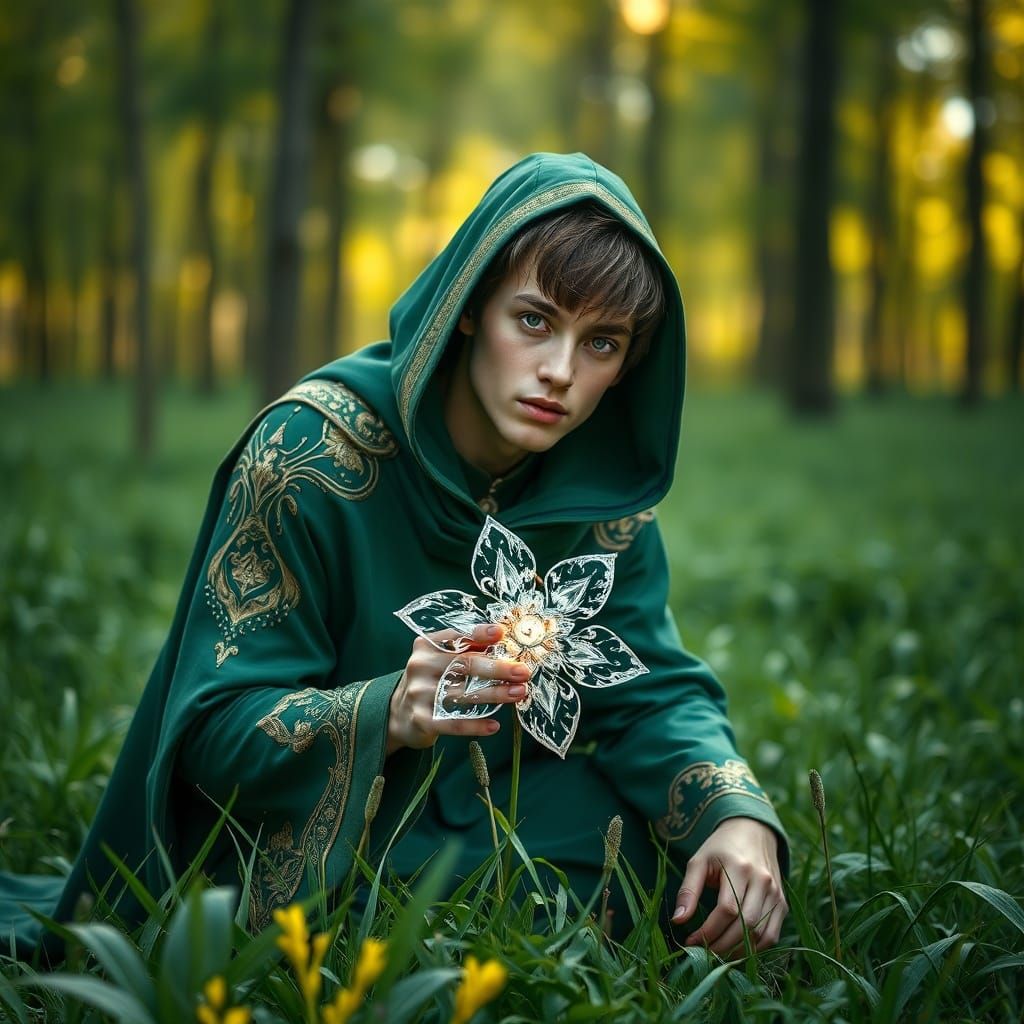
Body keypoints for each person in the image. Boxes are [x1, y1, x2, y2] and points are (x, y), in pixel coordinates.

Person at [0, 152, 787, 959]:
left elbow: (649, 693)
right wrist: (387, 712)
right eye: (534, 321)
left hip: (496, 821)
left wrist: (734, 814)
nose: (559, 372)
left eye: (602, 343)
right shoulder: (305, 455)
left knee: (685, 871)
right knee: (327, 917)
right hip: (309, 834)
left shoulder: (604, 498)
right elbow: (208, 732)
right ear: (470, 305)